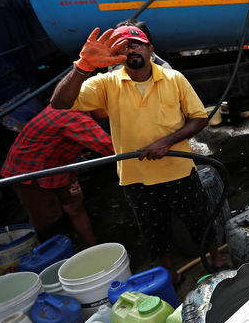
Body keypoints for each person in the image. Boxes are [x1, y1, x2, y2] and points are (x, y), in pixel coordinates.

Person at [50, 24, 226, 283]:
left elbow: (198, 118)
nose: (130, 49)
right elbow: (59, 103)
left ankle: (216, 256)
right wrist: (82, 67)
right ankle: (170, 273)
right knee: (153, 230)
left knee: (199, 218)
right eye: (123, 47)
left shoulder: (173, 78)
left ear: (150, 49)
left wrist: (167, 142)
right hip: (136, 176)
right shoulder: (106, 83)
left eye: (136, 44)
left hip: (178, 170)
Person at [0, 105, 114, 246]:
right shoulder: (74, 117)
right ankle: (43, 251)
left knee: (75, 206)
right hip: (29, 169)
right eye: (110, 106)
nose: (113, 111)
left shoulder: (74, 104)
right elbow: (112, 148)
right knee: (47, 216)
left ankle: (94, 246)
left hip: (61, 163)